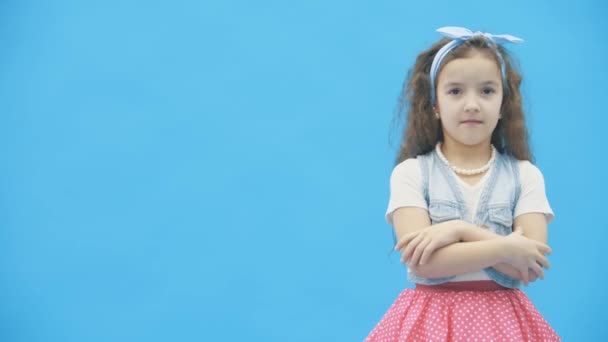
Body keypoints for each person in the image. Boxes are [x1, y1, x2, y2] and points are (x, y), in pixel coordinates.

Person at [365, 27, 561, 341]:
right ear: (435, 104)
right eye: (455, 91)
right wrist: (507, 247)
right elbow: (424, 263)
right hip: (428, 323)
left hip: (504, 324)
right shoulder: (411, 173)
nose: (472, 104)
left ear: (503, 103)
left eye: (486, 91)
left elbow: (530, 265)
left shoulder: (525, 176)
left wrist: (459, 230)